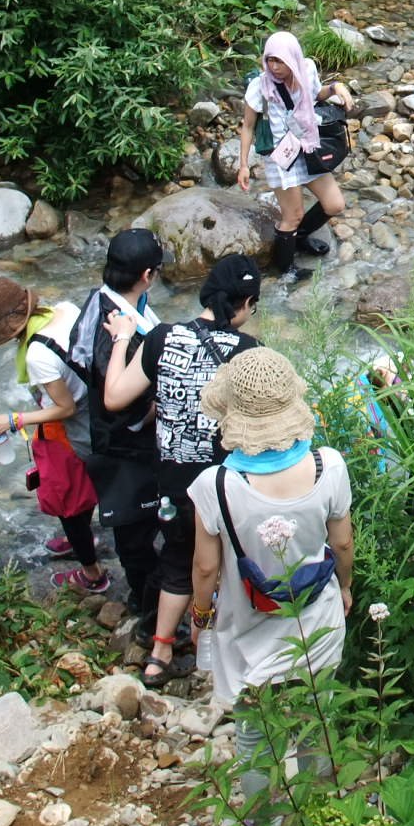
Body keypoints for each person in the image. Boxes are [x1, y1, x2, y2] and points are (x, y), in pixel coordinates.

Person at [189, 347, 355, 801]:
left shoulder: (216, 486)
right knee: (316, 721)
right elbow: (341, 542)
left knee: (254, 735)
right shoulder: (328, 465)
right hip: (316, 619)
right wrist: (345, 586)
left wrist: (201, 615)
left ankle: (266, 825)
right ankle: (320, 812)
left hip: (247, 628)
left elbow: (205, 568)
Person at [100, 254, 262, 687]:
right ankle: (216, 641)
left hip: (172, 483)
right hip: (224, 482)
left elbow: (114, 397)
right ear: (245, 303)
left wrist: (122, 339)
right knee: (225, 561)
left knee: (176, 560)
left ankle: (159, 652)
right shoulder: (250, 354)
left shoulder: (161, 338)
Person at [0, 279, 107, 594]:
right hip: (100, 410)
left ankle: (92, 574)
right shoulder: (64, 310)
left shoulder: (36, 354)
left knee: (66, 504)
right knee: (83, 488)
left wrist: (15, 420)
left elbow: (65, 407)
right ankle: (87, 538)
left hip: (74, 429)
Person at [67, 228, 165, 619]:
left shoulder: (103, 301)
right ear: (145, 275)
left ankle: (149, 597)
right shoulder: (116, 331)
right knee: (137, 537)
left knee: (139, 531)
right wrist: (160, 404)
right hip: (127, 449)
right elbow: (120, 404)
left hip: (113, 442)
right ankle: (150, 609)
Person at [238, 31, 355, 281]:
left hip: (308, 145)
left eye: (280, 61)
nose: (274, 67)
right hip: (281, 157)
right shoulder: (260, 86)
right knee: (293, 215)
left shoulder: (307, 69)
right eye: (270, 60)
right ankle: (286, 270)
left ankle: (299, 238)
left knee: (334, 204)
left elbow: (316, 94)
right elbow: (247, 126)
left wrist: (335, 87)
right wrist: (243, 165)